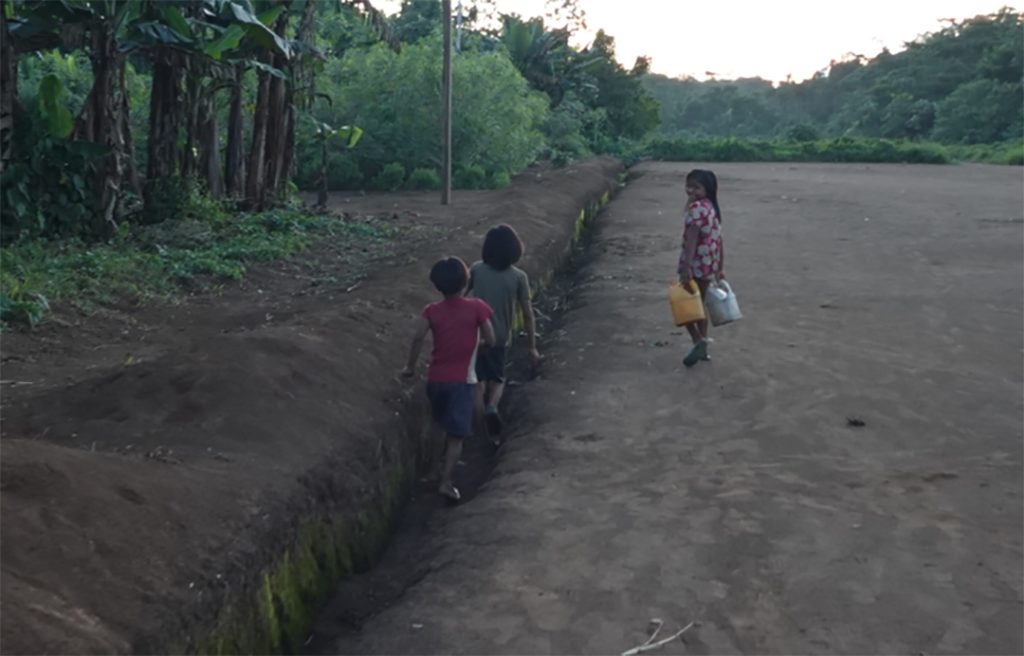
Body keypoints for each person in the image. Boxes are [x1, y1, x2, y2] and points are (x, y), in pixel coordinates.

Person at [402, 256, 496, 501]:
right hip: (461, 383)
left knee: (437, 426)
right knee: (456, 436)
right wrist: (478, 346)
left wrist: (410, 367)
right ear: (466, 281)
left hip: (436, 379)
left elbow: (417, 338)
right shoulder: (477, 307)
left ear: (437, 286)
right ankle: (446, 482)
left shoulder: (431, 311)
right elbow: (492, 339)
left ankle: (433, 470)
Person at [467, 224, 542, 440]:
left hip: (477, 337)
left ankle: (479, 433)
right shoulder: (519, 277)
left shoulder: (476, 269)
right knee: (498, 379)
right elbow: (528, 315)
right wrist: (532, 347)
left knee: (478, 383)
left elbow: (460, 297)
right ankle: (492, 407)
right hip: (499, 337)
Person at [678, 169, 725, 367]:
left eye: (696, 187)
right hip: (709, 263)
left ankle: (698, 341)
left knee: (684, 305)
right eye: (689, 186)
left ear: (707, 188)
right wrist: (720, 267)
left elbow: (691, 240)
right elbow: (719, 240)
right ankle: (703, 345)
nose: (691, 191)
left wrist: (686, 267)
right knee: (700, 305)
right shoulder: (711, 207)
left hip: (695, 263)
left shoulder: (696, 208)